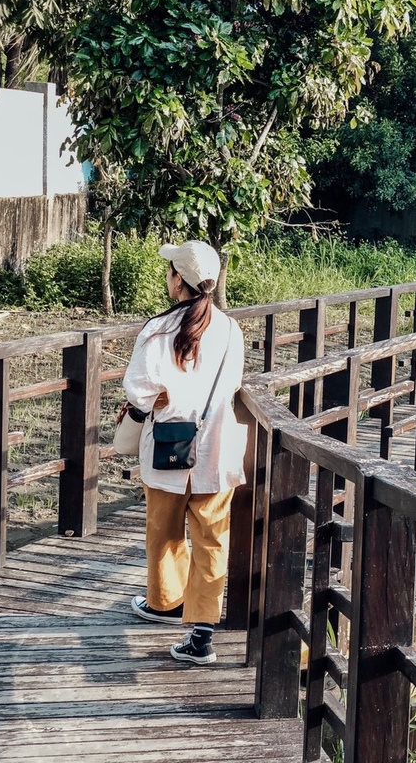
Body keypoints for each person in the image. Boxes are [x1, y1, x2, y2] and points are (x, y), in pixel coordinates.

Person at [123, 240, 247, 665]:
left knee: (164, 531)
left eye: (171, 271)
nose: (168, 277)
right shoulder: (231, 329)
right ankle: (201, 633)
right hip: (217, 446)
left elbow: (139, 390)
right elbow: (232, 384)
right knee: (213, 538)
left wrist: (163, 398)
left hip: (167, 448)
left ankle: (165, 602)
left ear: (179, 280)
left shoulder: (158, 330)